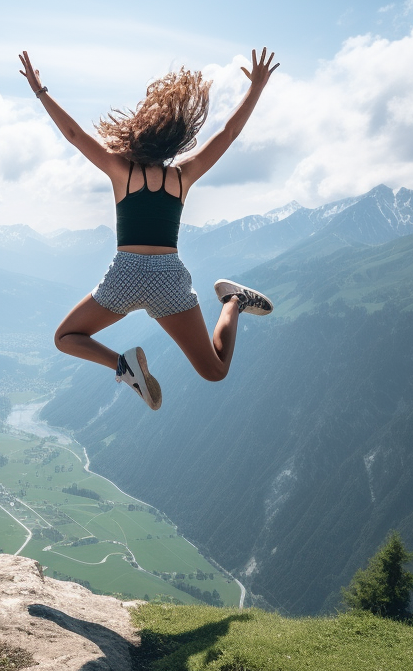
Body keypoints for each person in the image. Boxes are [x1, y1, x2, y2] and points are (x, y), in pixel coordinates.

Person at [17, 47, 279, 410]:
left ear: (134, 136)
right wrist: (257, 88)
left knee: (66, 337)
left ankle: (122, 365)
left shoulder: (120, 172)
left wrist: (40, 91)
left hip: (124, 277)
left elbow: (75, 135)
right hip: (168, 280)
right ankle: (233, 301)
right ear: (174, 140)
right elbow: (230, 132)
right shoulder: (183, 176)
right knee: (215, 371)